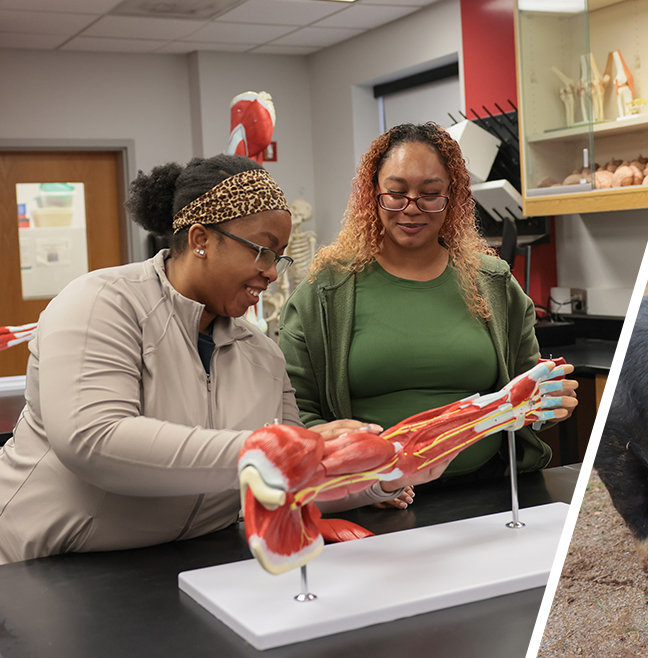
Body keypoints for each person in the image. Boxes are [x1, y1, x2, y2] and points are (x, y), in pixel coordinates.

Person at [0, 155, 401, 563]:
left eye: (279, 256)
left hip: (188, 566)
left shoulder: (261, 354)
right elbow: (93, 440)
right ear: (200, 240)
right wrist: (266, 450)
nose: (272, 273)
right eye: (262, 251)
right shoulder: (101, 303)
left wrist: (382, 478)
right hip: (45, 570)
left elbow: (291, 478)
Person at [282, 123, 578, 494]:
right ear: (372, 194)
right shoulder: (327, 291)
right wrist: (344, 464)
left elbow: (525, 388)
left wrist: (546, 405)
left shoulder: (494, 282)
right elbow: (293, 411)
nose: (411, 209)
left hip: (489, 490)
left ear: (452, 197)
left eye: (430, 194)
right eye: (396, 193)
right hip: (369, 496)